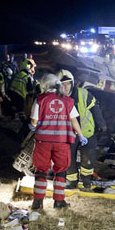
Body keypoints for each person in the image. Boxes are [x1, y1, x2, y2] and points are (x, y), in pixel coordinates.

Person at [29, 73, 87, 210]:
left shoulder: (40, 100)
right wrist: (81, 135)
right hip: (62, 142)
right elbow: (74, 120)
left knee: (41, 170)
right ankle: (59, 201)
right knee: (61, 171)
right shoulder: (67, 101)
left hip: (43, 141)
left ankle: (38, 202)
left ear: (45, 85)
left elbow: (34, 121)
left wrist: (33, 126)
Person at [58, 70, 107, 190]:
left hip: (87, 132)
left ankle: (86, 182)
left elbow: (95, 109)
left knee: (88, 159)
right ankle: (72, 181)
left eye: (68, 83)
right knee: (69, 159)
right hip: (68, 134)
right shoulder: (57, 98)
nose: (65, 86)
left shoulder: (83, 94)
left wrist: (102, 124)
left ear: (72, 83)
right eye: (62, 84)